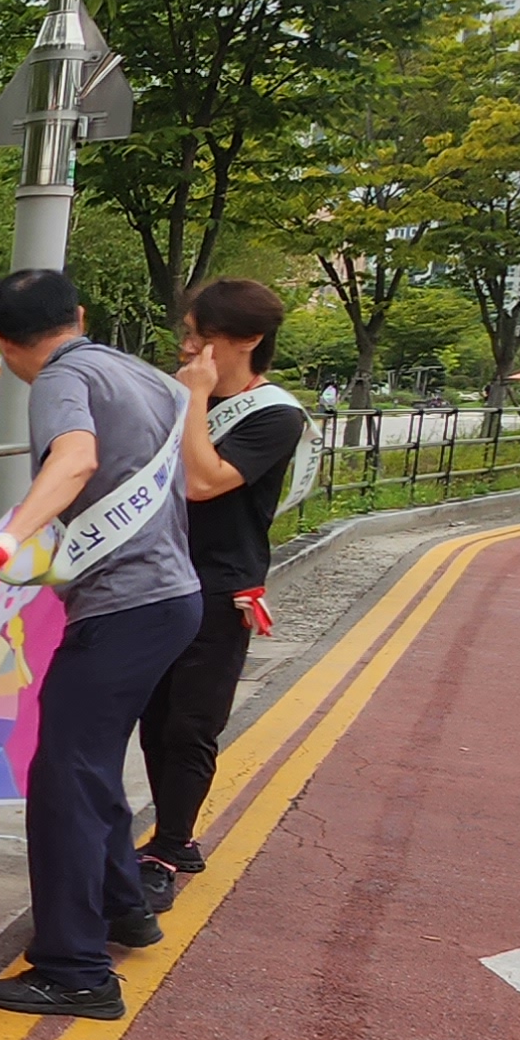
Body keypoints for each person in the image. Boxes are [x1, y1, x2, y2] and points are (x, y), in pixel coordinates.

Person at [0, 267, 201, 1022]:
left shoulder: (61, 379)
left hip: (123, 607)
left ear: (0, 341)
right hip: (172, 597)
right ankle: (123, 906)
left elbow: (77, 458)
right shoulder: (142, 374)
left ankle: (76, 970)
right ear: (79, 315)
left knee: (64, 779)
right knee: (86, 766)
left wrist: (2, 539)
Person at [136, 278, 307, 902]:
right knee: (154, 718)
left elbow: (203, 481)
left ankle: (170, 848)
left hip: (219, 584)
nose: (188, 348)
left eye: (201, 336)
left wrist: (194, 400)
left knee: (191, 721)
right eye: (187, 334)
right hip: (156, 575)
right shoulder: (179, 394)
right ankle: (166, 837)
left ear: (248, 339)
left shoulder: (275, 415)